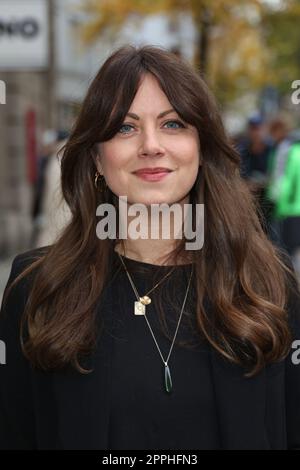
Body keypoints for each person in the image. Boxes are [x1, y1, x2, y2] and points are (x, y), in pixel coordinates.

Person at [0, 45, 300, 450]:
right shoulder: (36, 288)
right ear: (96, 158)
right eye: (125, 127)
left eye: (173, 124)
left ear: (202, 146)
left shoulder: (266, 280)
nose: (151, 145)